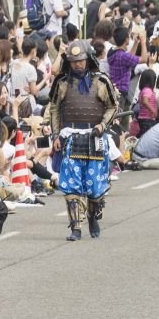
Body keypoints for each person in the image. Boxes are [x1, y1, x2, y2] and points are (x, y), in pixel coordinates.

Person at [47, 41, 118, 241]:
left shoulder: (101, 81)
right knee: (71, 185)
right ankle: (76, 227)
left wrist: (102, 125)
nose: (77, 64)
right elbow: (54, 109)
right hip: (70, 137)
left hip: (95, 137)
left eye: (81, 60)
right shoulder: (61, 83)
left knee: (95, 187)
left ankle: (93, 215)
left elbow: (112, 106)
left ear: (88, 59)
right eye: (73, 61)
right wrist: (56, 136)